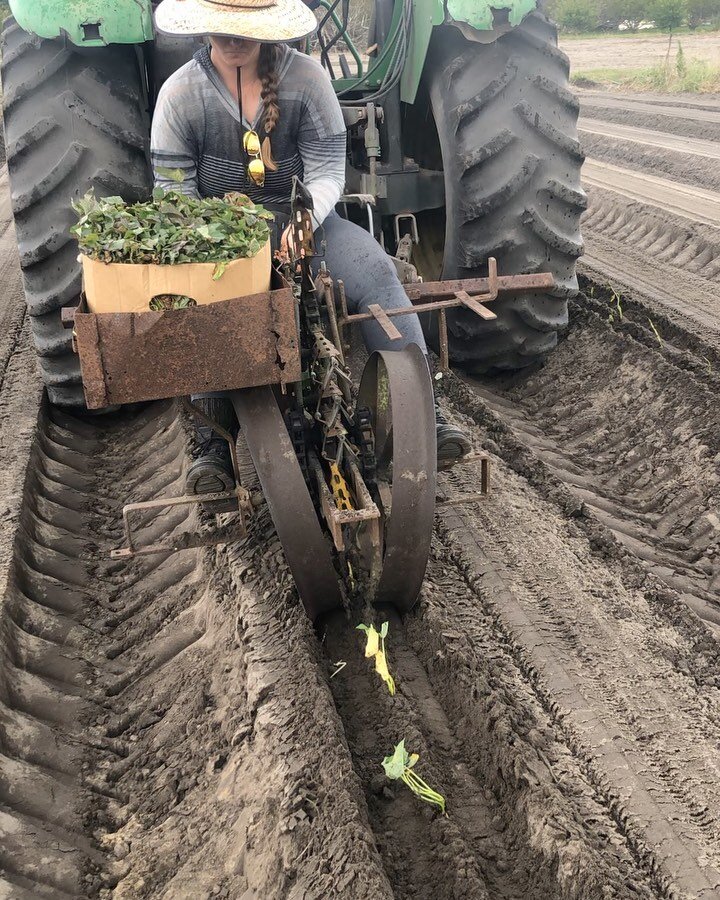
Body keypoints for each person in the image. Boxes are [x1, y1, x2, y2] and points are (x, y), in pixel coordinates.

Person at [151, 0, 471, 506]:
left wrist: (304, 220)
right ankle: (212, 442)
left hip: (308, 224)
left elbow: (326, 172)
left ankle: (426, 411)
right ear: (204, 26)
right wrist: (224, 242)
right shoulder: (180, 95)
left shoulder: (306, 80)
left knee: (375, 273)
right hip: (221, 241)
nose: (233, 40)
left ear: (267, 29)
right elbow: (175, 193)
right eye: (223, 29)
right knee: (204, 309)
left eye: (246, 29)